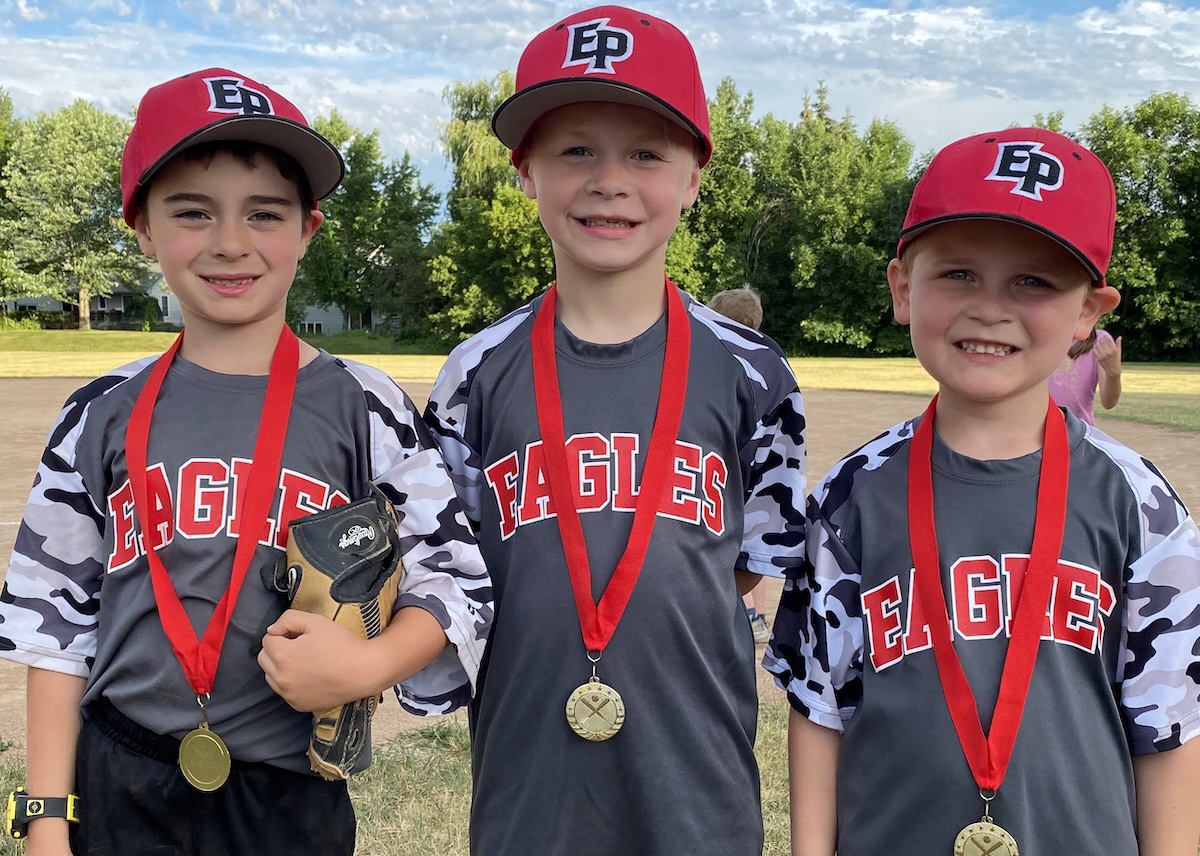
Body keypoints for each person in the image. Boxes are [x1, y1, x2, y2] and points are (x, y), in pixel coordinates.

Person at [0, 68, 491, 856]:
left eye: (264, 213)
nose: (230, 242)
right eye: (192, 212)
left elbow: (458, 580)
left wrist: (369, 665)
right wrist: (47, 820)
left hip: (287, 797)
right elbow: (52, 626)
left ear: (308, 230)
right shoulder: (99, 412)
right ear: (142, 230)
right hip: (121, 777)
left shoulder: (363, 405)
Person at [423, 7, 807, 855]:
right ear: (526, 172)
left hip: (694, 787)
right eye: (575, 151)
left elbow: (749, 567)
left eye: (645, 152)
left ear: (695, 175)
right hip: (531, 791)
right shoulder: (473, 376)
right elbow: (447, 575)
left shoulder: (754, 373)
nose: (609, 180)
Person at [765, 127, 1200, 856]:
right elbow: (819, 712)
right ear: (904, 288)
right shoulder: (851, 498)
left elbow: (1168, 732)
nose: (990, 308)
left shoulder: (1140, 505)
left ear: (1090, 314)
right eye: (959, 274)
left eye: (1033, 281)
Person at [708, 286, 772, 645]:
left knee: (731, 539)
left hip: (728, 472)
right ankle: (757, 615)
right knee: (756, 542)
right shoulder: (767, 359)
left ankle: (740, 610)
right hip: (758, 475)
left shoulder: (718, 362)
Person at [1048, 326, 1123, 424]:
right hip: (1041, 431)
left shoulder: (1100, 341)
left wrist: (1113, 374)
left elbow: (1109, 403)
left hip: (1078, 433)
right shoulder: (1044, 337)